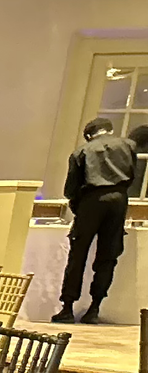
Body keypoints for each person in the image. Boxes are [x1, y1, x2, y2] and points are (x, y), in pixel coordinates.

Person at [55, 116, 138, 324]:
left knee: (78, 254)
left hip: (91, 200)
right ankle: (94, 307)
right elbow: (132, 175)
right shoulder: (128, 145)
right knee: (108, 255)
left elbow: (71, 189)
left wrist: (77, 206)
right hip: (119, 199)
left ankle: (67, 307)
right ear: (108, 130)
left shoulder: (82, 151)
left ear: (90, 135)